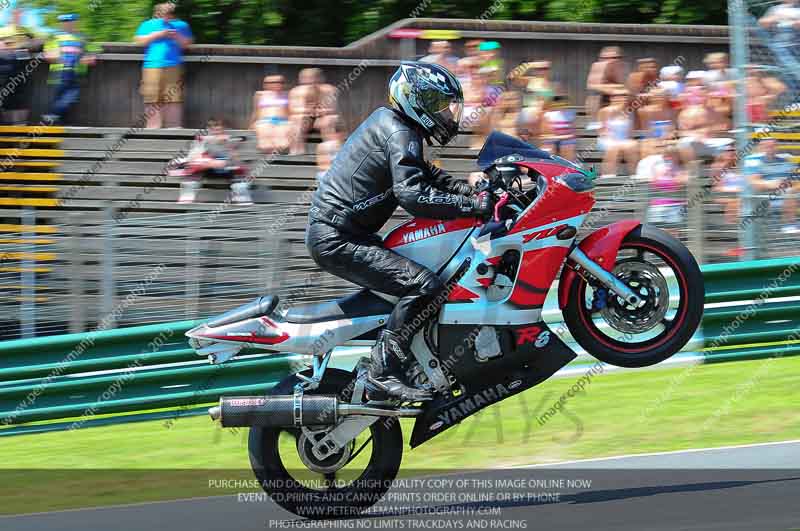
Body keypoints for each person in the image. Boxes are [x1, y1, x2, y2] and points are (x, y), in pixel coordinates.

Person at [305, 62, 492, 401]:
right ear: (414, 99)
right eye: (438, 104)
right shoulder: (398, 131)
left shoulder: (397, 128)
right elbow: (413, 195)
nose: (446, 114)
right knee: (425, 285)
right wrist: (471, 207)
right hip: (338, 238)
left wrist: (473, 193)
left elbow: (430, 178)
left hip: (345, 235)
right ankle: (382, 369)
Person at [135, 3, 193, 129]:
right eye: (164, 13)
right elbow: (139, 41)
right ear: (157, 13)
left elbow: (187, 44)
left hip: (174, 65)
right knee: (151, 98)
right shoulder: (147, 25)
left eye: (169, 13)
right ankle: (152, 129)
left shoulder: (182, 25)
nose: (166, 16)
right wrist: (158, 35)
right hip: (151, 65)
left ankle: (174, 128)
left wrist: (176, 36)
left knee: (173, 98)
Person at [176, 118, 251, 205]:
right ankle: (187, 194)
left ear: (224, 128)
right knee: (193, 170)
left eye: (218, 126)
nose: (215, 129)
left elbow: (235, 158)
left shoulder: (231, 140)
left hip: (226, 168)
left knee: (238, 171)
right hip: (208, 169)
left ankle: (240, 193)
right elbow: (193, 157)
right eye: (211, 126)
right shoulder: (202, 141)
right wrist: (207, 161)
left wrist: (225, 160)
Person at [42, 14, 98, 125]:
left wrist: (91, 56)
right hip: (59, 73)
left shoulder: (82, 37)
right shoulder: (54, 37)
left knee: (71, 97)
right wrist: (54, 57)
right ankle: (54, 120)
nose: (68, 24)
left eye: (70, 21)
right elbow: (47, 54)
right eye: (65, 22)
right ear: (61, 24)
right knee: (60, 97)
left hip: (76, 72)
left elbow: (95, 49)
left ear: (76, 22)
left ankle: (53, 116)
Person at [743, 138, 800, 234]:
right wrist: (772, 184)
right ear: (760, 147)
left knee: (790, 192)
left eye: (773, 146)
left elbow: (794, 181)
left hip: (787, 192)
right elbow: (755, 183)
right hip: (765, 195)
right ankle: (789, 225)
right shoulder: (753, 160)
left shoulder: (784, 161)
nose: (770, 149)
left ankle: (791, 223)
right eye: (767, 146)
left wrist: (793, 188)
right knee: (789, 194)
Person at [0, 8, 44, 124]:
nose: (18, 17)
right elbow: (2, 46)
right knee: (7, 99)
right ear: (11, 16)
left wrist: (22, 46)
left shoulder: (27, 31)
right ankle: (8, 129)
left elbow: (39, 42)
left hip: (22, 70)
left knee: (22, 98)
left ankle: (20, 127)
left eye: (21, 14)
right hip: (5, 69)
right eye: (16, 14)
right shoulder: (4, 30)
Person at [288, 68, 338, 155]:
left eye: (314, 77)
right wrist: (308, 111)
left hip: (321, 118)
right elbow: (293, 109)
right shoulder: (296, 91)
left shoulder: (329, 89)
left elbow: (333, 109)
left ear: (320, 78)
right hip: (305, 119)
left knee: (330, 119)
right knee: (297, 119)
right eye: (307, 77)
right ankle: (297, 151)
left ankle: (331, 152)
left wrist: (320, 111)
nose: (311, 80)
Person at [598, 90, 638, 178]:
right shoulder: (604, 111)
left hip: (623, 140)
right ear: (611, 98)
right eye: (616, 96)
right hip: (607, 139)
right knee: (614, 147)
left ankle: (634, 175)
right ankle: (608, 176)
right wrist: (613, 139)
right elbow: (602, 131)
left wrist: (624, 141)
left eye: (623, 96)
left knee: (632, 145)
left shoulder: (629, 112)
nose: (619, 98)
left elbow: (629, 133)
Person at [585, 46, 627, 128]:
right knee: (593, 96)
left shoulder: (622, 67)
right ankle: (596, 123)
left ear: (619, 59)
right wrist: (613, 89)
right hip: (603, 100)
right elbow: (592, 86)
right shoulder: (597, 67)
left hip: (621, 100)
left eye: (614, 57)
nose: (609, 60)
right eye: (605, 58)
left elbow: (627, 87)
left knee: (624, 98)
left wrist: (613, 90)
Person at [250, 74, 290, 153]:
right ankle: (270, 159)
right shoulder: (260, 94)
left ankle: (276, 156)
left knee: (282, 145)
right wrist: (251, 124)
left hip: (282, 122)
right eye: (273, 82)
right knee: (265, 145)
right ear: (266, 84)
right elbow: (256, 111)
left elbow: (290, 111)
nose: (277, 84)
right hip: (264, 122)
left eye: (280, 82)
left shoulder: (287, 94)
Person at [539, 94, 577, 161]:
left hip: (566, 141)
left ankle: (568, 168)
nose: (561, 105)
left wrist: (563, 138)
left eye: (564, 103)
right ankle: (549, 167)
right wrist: (558, 138)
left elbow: (573, 133)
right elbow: (544, 136)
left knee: (567, 146)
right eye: (558, 103)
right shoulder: (548, 115)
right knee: (548, 147)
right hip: (551, 140)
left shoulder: (570, 114)